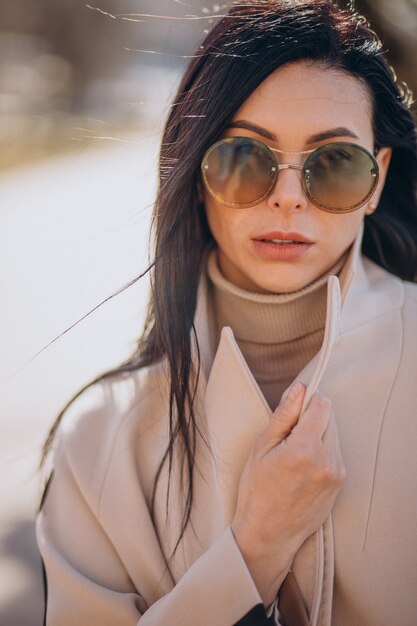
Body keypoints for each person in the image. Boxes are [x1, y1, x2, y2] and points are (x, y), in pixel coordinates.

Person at [36, 1, 417, 625]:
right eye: (246, 159)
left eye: (337, 162)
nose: (288, 198)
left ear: (377, 181)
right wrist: (254, 549)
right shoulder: (101, 440)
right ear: (194, 169)